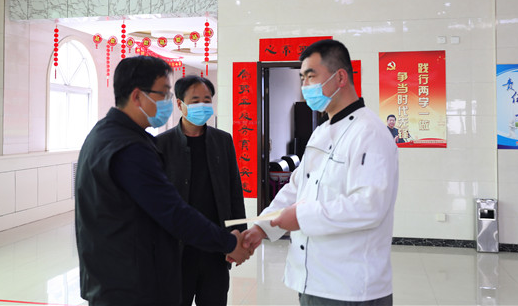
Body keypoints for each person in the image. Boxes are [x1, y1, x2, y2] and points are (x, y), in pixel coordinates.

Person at [74, 56, 251, 306]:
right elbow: (172, 212)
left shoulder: (104, 134)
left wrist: (236, 234)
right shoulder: (130, 147)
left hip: (114, 276)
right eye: (164, 94)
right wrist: (229, 242)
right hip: (128, 283)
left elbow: (232, 190)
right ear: (138, 96)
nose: (168, 101)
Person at [241, 39, 399, 306]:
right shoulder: (321, 132)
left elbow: (370, 206)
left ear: (340, 77)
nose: (305, 86)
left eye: (311, 76)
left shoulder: (370, 132)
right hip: (311, 280)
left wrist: (300, 217)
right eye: (302, 78)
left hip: (351, 288)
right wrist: (262, 227)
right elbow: (296, 187)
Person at [157, 75, 247, 306]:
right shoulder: (161, 145)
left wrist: (239, 237)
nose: (202, 105)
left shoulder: (223, 141)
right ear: (180, 104)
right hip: (176, 252)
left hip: (215, 249)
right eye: (195, 100)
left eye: (207, 100)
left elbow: (234, 191)